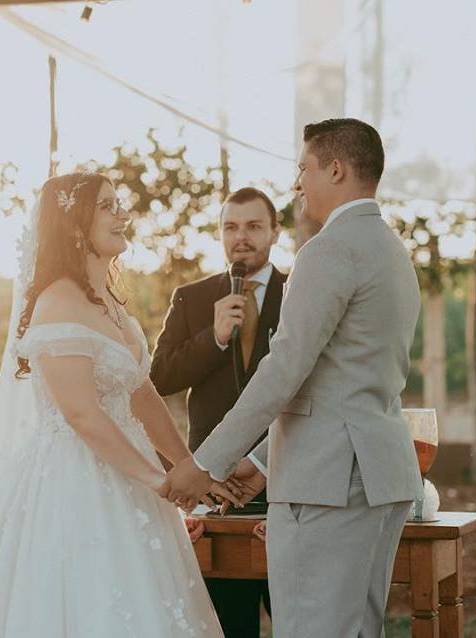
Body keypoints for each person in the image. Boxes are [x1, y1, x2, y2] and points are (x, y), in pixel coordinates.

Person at [0, 172, 238, 637]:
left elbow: (142, 396)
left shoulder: (112, 306)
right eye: (107, 206)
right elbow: (81, 413)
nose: (122, 214)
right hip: (74, 483)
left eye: (118, 203)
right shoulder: (58, 302)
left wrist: (188, 466)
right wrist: (158, 481)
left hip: (133, 472)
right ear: (76, 225)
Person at [162, 119, 424, 638]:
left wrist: (204, 463)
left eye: (303, 168)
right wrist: (261, 462)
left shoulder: (327, 251)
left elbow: (284, 369)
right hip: (378, 474)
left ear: (336, 168)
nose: (298, 182)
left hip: (328, 482)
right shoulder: (391, 251)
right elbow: (339, 379)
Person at [150, 186, 286, 638]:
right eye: (231, 227)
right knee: (230, 624)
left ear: (275, 231)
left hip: (287, 479)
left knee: (299, 620)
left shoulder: (302, 294)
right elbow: (160, 377)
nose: (241, 237)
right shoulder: (191, 298)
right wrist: (214, 337)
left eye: (253, 226)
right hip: (216, 491)